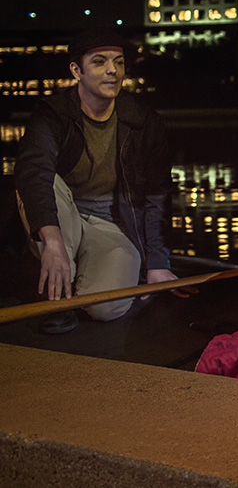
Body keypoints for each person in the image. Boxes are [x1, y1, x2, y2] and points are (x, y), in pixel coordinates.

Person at [15, 29, 179, 332]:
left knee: (108, 308)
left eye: (118, 62)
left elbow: (157, 195)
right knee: (44, 182)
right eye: (100, 62)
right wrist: (52, 242)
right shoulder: (53, 114)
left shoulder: (143, 120)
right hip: (62, 216)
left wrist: (157, 263)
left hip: (110, 222)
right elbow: (33, 173)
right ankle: (58, 300)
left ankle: (77, 281)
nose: (112, 71)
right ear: (77, 70)